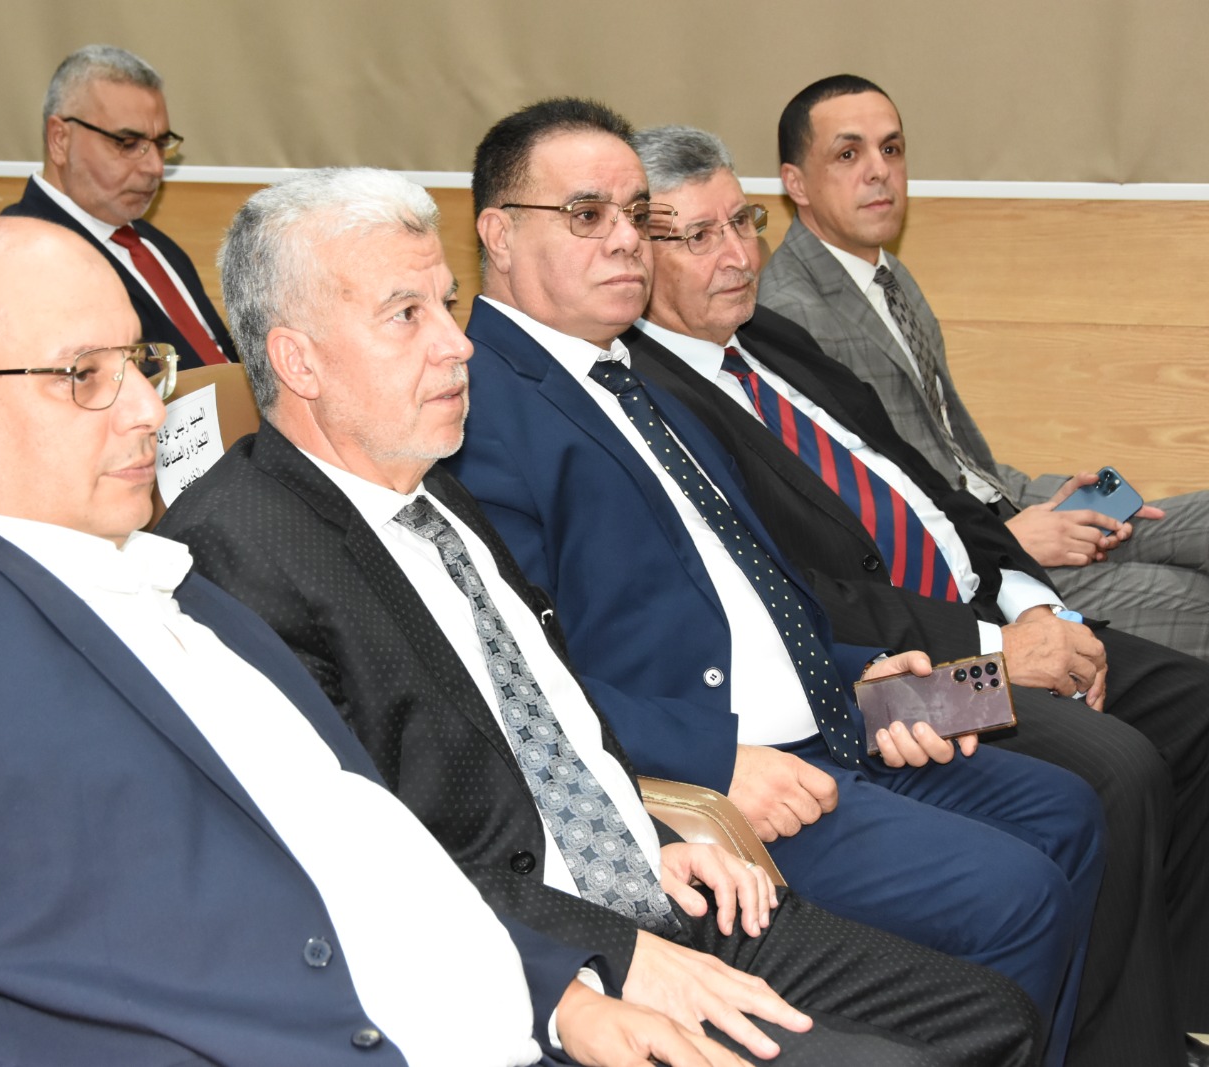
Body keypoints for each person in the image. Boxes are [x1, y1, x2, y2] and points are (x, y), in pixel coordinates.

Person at [0, 213, 734, 1067]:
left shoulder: (190, 584)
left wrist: (557, 996)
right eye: (83, 375)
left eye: (141, 362)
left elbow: (352, 841)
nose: (148, 406)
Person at [157, 166, 1040, 1066]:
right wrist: (605, 947)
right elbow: (350, 861)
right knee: (969, 959)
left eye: (446, 305)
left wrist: (646, 838)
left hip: (655, 871)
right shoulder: (231, 555)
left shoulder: (433, 489)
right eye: (405, 316)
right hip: (533, 959)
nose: (457, 345)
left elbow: (546, 717)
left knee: (994, 1015)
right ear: (299, 360)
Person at [444, 96, 1105, 1065]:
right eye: (587, 214)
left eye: (635, 214)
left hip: (838, 702)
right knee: (1016, 890)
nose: (625, 240)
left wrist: (868, 669)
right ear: (498, 234)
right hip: (726, 764)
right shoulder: (478, 409)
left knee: (1072, 803)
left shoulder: (632, 376)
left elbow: (755, 587)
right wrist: (715, 760)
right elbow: (513, 672)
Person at [623, 122, 1209, 1067]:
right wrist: (995, 652)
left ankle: (1171, 1012)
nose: (737, 256)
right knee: (1112, 768)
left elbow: (938, 494)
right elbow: (814, 595)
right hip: (893, 676)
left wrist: (1033, 604)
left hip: (982, 618)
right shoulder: (649, 396)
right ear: (631, 252)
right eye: (697, 236)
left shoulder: (768, 338)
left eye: (741, 223)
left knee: (1191, 705)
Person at [758, 74, 1209, 664]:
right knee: (1195, 599)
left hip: (1007, 511)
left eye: (891, 148)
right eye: (848, 154)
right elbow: (858, 522)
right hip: (976, 567)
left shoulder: (887, 275)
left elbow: (957, 456)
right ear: (796, 183)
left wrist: (1051, 499)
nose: (879, 171)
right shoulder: (784, 314)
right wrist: (1008, 539)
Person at [2, 44, 237, 369]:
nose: (155, 167)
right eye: (127, 144)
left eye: (160, 144)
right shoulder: (21, 258)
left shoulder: (151, 244)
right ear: (60, 140)